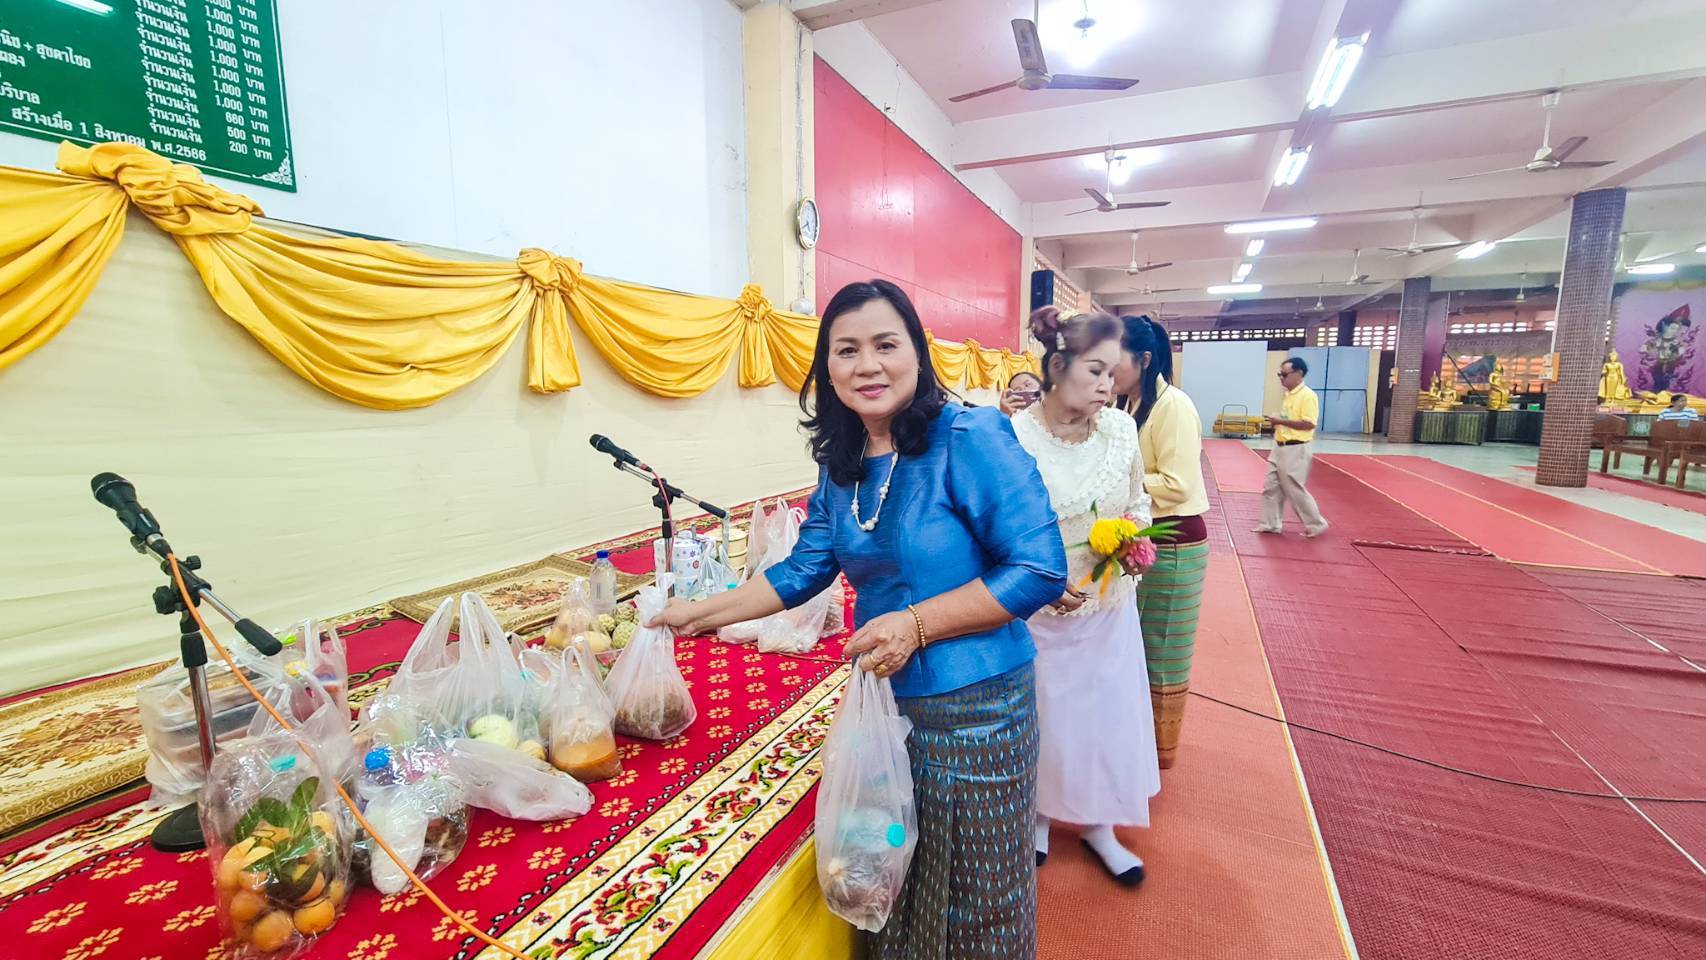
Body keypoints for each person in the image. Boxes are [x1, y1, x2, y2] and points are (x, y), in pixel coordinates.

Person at [648, 279, 1068, 959]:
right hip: (885, 700)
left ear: (917, 353)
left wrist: (916, 624)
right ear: (826, 368)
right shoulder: (841, 462)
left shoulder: (971, 436)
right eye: (846, 351)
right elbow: (804, 569)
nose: (866, 365)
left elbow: (1040, 568)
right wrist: (698, 613)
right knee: (889, 871)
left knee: (974, 894)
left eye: (884, 345)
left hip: (979, 710)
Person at [1012, 308, 1160, 887]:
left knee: (1104, 716)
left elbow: (1138, 502)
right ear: (1056, 366)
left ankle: (1101, 825)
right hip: (1040, 610)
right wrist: (1044, 582)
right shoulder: (1016, 436)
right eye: (1095, 371)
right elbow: (999, 528)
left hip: (1107, 607)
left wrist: (1130, 541)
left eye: (1112, 373)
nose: (1108, 384)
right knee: (1046, 715)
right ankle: (1040, 815)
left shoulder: (1121, 429)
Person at [1113, 315, 1209, 769]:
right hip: (1143, 537)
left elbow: (1177, 483)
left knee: (1162, 650)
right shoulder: (1129, 404)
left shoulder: (1174, 407)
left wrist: (1113, 484)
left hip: (1174, 543)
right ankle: (1135, 744)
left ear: (1145, 359)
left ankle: (1157, 753)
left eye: (1114, 359)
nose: (1106, 369)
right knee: (1135, 644)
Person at [1257, 357, 1329, 538]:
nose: (1282, 379)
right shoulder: (1289, 395)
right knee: (1271, 486)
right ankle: (1270, 524)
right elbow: (1289, 418)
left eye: (1285, 375)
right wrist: (1278, 422)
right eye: (1280, 375)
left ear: (1299, 374)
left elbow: (1308, 424)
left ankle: (1316, 524)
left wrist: (1281, 421)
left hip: (1296, 448)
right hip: (1280, 445)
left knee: (1294, 489)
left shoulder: (1307, 396)